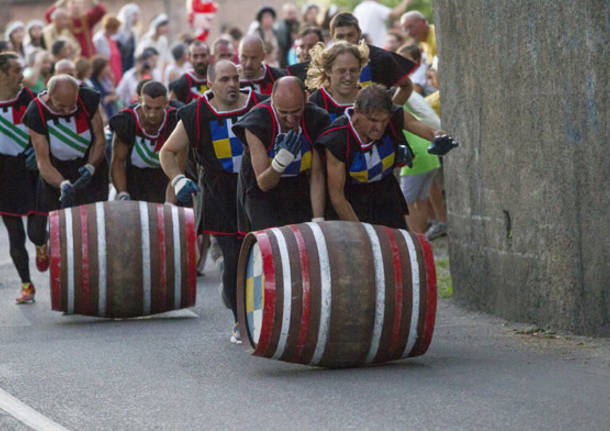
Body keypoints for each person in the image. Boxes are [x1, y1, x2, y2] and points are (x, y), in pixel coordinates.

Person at [160, 60, 266, 344]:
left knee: (263, 257)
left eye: (235, 78)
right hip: (219, 194)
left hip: (257, 191)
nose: (232, 84)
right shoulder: (194, 114)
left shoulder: (260, 105)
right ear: (210, 84)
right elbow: (168, 152)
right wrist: (178, 180)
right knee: (233, 260)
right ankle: (239, 322)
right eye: (224, 79)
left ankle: (268, 315)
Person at [317, 84, 447, 229]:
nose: (379, 128)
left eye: (384, 121)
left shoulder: (395, 116)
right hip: (352, 202)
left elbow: (426, 130)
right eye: (373, 121)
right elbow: (337, 196)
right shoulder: (337, 139)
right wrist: (362, 232)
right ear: (356, 113)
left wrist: (439, 138)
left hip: (386, 197)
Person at [232, 76, 329, 232]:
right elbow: (263, 183)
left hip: (299, 186)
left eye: (297, 111)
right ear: (272, 101)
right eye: (283, 112)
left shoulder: (317, 119)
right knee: (270, 244)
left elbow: (316, 175)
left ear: (306, 98)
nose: (290, 119)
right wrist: (280, 162)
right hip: (261, 193)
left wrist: (318, 220)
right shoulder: (256, 123)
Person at [23, 74, 108, 218]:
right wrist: (62, 184)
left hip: (88, 163)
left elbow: (99, 139)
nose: (68, 111)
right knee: (48, 225)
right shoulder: (36, 111)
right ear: (50, 96)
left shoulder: (86, 99)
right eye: (61, 106)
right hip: (57, 168)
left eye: (72, 105)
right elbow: (43, 161)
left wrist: (91, 166)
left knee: (93, 218)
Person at [0, 52, 41, 303]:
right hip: (4, 175)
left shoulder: (28, 98)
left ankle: (42, 245)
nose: (22, 75)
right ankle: (27, 285)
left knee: (37, 230)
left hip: (31, 169)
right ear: (2, 74)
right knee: (15, 234)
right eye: (16, 70)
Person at [306, 41, 410, 122]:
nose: (348, 77)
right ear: (328, 70)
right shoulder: (315, 104)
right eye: (341, 71)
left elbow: (410, 122)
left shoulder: (372, 97)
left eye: (353, 70)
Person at [109, 81, 177, 203]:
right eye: (148, 107)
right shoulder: (126, 121)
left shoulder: (175, 121)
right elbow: (118, 162)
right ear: (139, 101)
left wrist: (170, 204)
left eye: (158, 108)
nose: (152, 114)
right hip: (134, 178)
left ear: (166, 103)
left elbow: (179, 167)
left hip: (165, 177)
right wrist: (123, 193)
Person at [93, 14, 122, 84]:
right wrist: (109, 74)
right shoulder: (99, 39)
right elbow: (103, 58)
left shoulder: (112, 39)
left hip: (116, 70)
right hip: (107, 74)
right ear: (111, 28)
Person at [115, 3, 140, 73]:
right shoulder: (117, 33)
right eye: (135, 15)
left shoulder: (133, 34)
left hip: (129, 70)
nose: (136, 19)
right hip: (118, 69)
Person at [273, 3, 300, 68]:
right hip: (284, 57)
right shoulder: (280, 27)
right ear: (284, 14)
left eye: (293, 13)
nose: (291, 15)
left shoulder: (298, 25)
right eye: (289, 13)